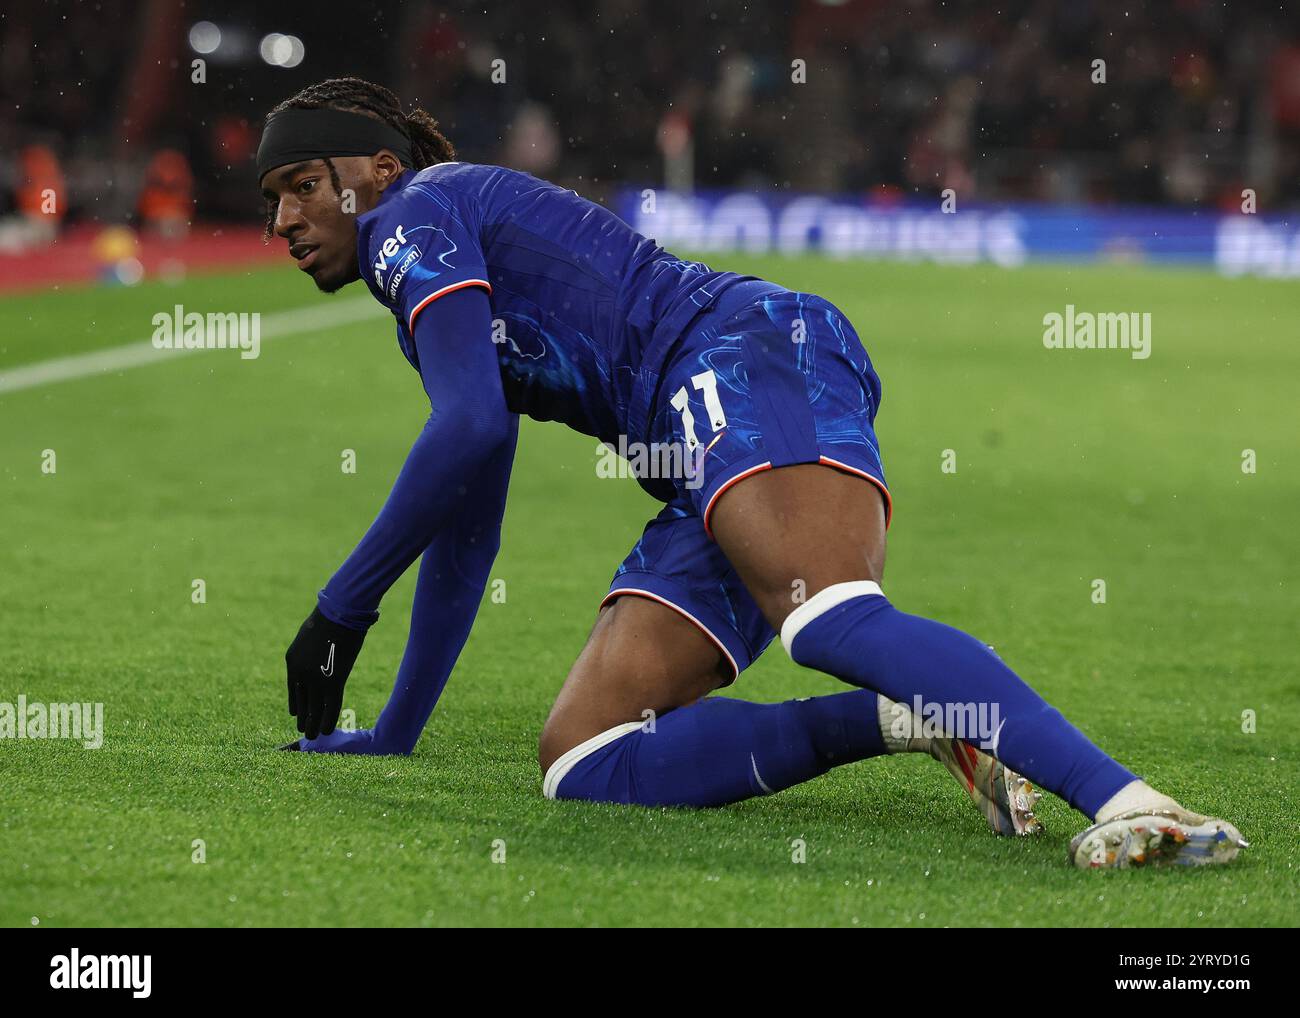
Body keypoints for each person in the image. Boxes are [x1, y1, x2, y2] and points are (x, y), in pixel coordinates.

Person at [259, 78, 1244, 869]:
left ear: (377, 170)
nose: (283, 218)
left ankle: (1134, 801)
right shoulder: (437, 296)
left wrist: (343, 608)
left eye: (304, 183)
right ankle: (908, 714)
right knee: (586, 758)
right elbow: (470, 516)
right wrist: (392, 729)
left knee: (825, 614)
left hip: (738, 354)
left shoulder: (412, 214)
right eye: (271, 197)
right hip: (703, 439)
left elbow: (468, 428)